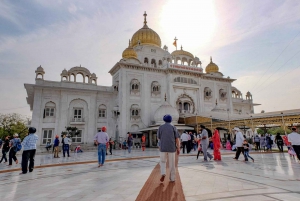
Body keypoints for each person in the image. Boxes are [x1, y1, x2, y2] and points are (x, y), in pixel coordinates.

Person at [157, 114, 180, 182]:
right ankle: (172, 178)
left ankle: (163, 173)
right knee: (172, 163)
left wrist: (160, 145)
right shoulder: (173, 127)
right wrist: (178, 147)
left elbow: (158, 138)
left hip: (163, 147)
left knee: (163, 161)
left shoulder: (161, 127)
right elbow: (177, 139)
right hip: (171, 148)